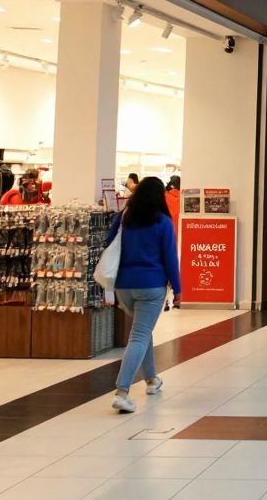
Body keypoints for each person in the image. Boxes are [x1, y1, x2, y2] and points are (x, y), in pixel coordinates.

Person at [107, 177, 181, 414]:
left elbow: (109, 244)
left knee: (142, 330)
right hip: (151, 286)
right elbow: (170, 257)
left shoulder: (124, 218)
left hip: (124, 286)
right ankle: (122, 392)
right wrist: (178, 289)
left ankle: (151, 379)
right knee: (139, 335)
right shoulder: (162, 222)